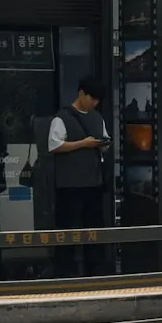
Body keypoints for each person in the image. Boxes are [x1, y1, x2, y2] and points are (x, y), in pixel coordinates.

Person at [46, 77, 111, 276]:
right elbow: (54, 145)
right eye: (92, 98)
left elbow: (105, 142)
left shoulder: (97, 118)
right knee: (67, 228)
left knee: (94, 227)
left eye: (98, 100)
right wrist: (82, 143)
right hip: (68, 184)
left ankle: (95, 269)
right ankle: (66, 270)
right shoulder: (62, 117)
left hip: (93, 182)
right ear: (81, 93)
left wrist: (101, 144)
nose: (94, 103)